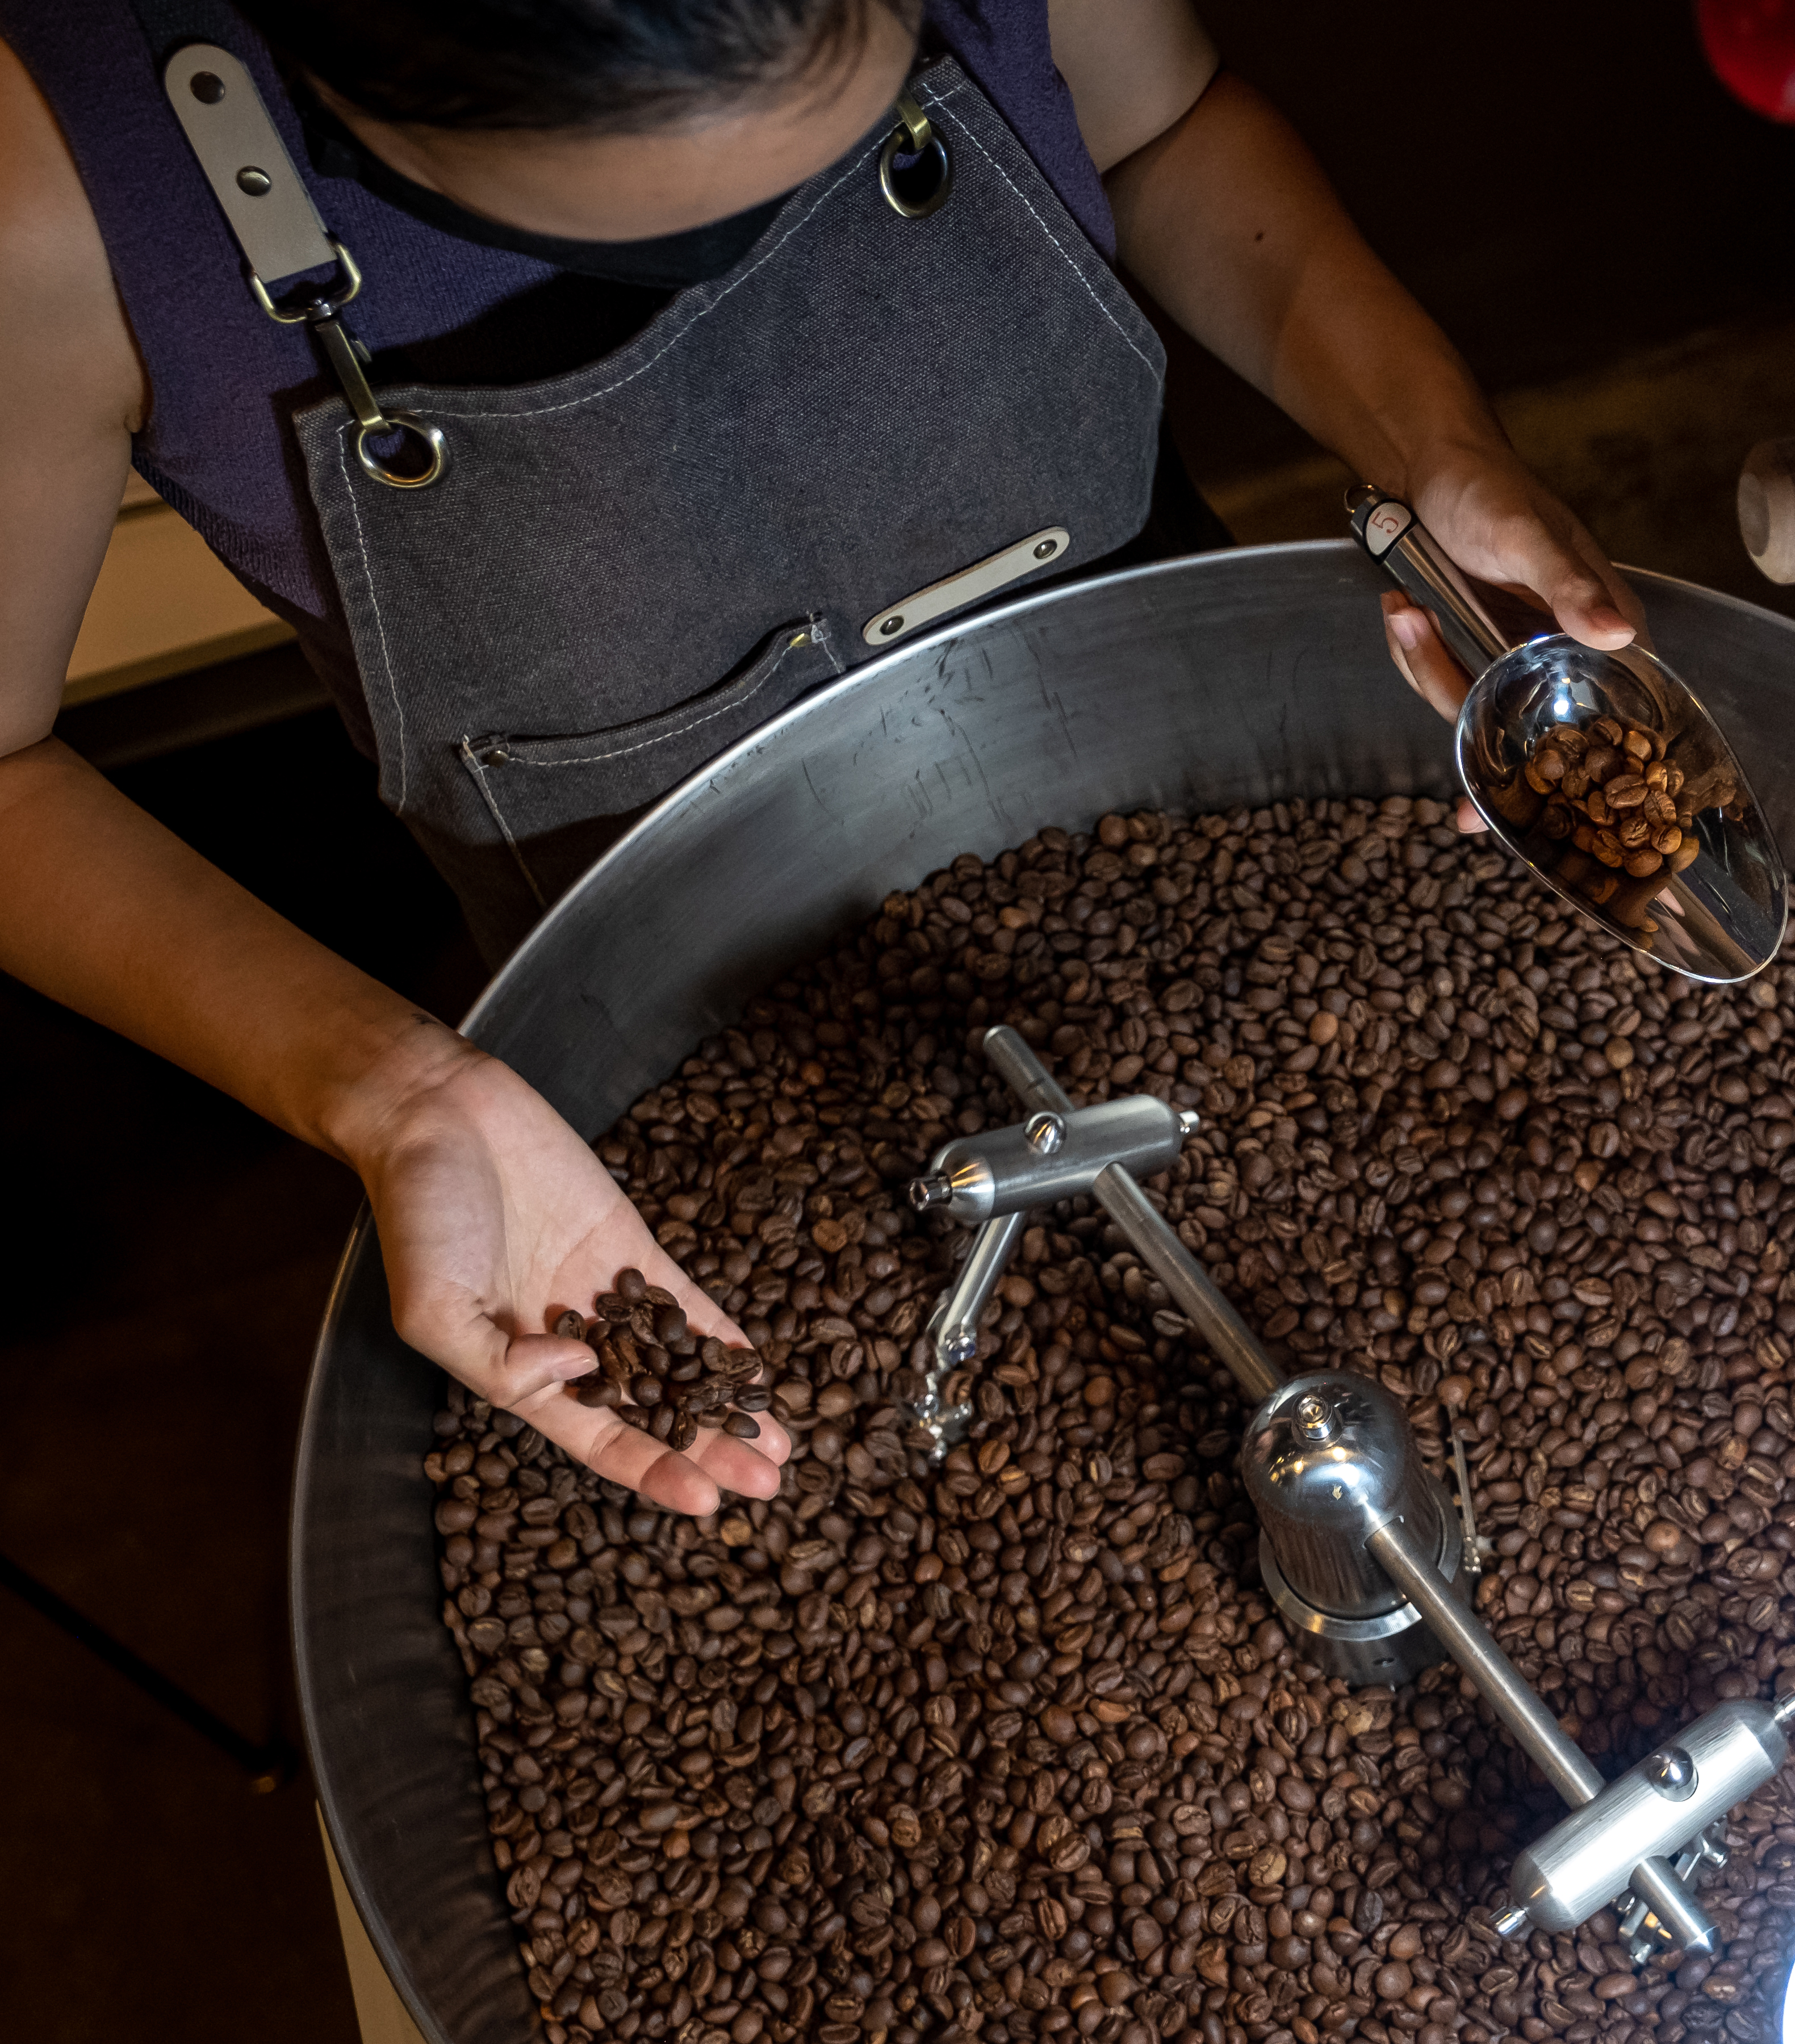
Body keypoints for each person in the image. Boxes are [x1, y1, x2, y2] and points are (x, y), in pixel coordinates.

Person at [0, 0, 1633, 1515]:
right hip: (675, 1029)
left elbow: (1163, 131)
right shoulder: (56, 189)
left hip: (1189, 824)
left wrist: (1436, 447)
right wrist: (390, 1090)